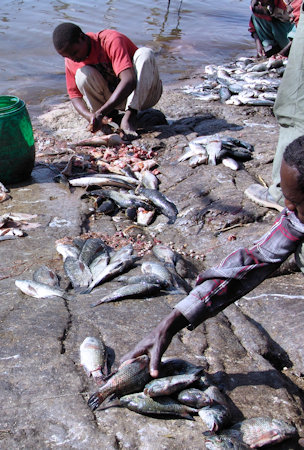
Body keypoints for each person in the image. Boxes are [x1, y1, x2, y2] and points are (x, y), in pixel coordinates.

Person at [122, 135, 304, 377]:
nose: (287, 209)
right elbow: (256, 259)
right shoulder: (296, 218)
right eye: (285, 197)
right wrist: (169, 324)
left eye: (297, 202)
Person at [52, 22, 163, 138]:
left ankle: (130, 116)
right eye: (67, 56)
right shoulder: (71, 59)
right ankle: (109, 119)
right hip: (113, 102)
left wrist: (100, 112)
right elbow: (74, 96)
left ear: (82, 38)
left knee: (145, 53)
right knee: (82, 75)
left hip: (144, 93)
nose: (73, 59)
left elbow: (129, 80)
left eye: (75, 53)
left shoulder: (110, 40)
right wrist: (90, 116)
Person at [246, 0, 304, 213]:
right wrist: (264, 47)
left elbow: (299, 27)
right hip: (283, 31)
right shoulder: (258, 7)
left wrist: (285, 54)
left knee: (293, 111)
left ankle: (282, 194)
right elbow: (254, 26)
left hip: (292, 31)